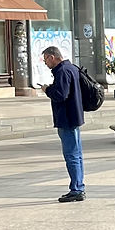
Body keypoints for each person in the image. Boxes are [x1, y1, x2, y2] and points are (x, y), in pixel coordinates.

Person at [40, 46, 86, 202]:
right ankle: (78, 186)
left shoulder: (62, 71)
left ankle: (77, 189)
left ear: (52, 57)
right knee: (77, 155)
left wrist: (47, 89)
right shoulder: (71, 68)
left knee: (72, 155)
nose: (45, 63)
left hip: (67, 119)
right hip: (74, 117)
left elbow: (61, 94)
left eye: (45, 59)